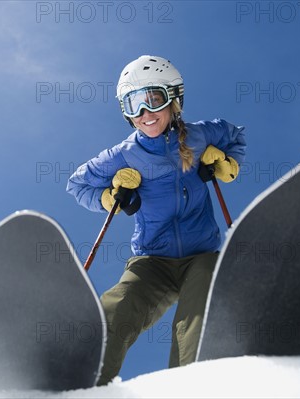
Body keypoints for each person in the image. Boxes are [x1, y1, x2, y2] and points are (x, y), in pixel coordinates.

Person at [66, 55, 246, 385]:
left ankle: (189, 387)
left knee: (196, 317)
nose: (144, 114)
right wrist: (109, 196)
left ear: (174, 99)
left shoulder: (202, 134)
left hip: (202, 255)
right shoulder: (123, 153)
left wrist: (226, 162)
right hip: (152, 261)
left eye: (153, 100)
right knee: (116, 309)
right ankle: (80, 384)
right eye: (133, 105)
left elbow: (234, 135)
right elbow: (78, 184)